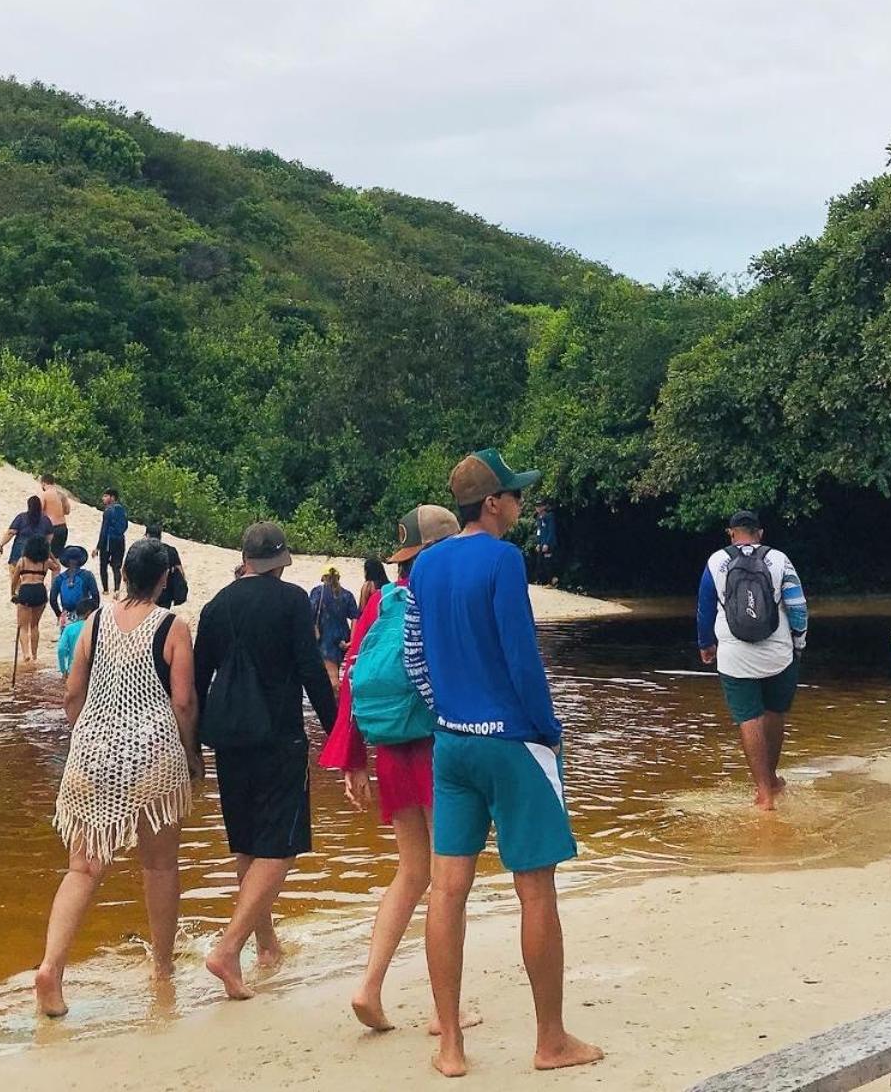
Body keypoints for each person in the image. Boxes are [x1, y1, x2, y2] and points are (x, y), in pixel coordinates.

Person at [405, 449, 601, 1078]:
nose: (520, 503)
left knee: (447, 890)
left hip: (452, 740)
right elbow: (522, 659)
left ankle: (451, 1046)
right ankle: (550, 1041)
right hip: (511, 740)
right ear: (492, 503)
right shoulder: (504, 560)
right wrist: (549, 731)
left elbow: (427, 658)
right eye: (514, 494)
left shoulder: (427, 566)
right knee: (534, 887)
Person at [37, 538, 200, 1016]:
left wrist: (87, 734)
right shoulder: (173, 627)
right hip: (153, 757)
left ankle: (51, 968)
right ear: (165, 578)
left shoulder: (94, 621)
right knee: (160, 865)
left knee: (82, 868)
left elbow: (73, 694)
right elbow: (184, 702)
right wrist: (192, 757)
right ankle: (163, 971)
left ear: (124, 572)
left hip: (92, 754)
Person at [322, 504, 460, 1034]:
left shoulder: (382, 601)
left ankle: (370, 986)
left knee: (411, 872)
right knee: (449, 879)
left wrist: (353, 760)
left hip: (389, 747)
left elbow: (354, 676)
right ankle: (443, 1009)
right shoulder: (437, 600)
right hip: (435, 745)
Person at [194, 521, 338, 1000]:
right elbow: (310, 671)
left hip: (227, 739)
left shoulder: (216, 606)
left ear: (246, 558)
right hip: (278, 736)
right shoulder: (293, 601)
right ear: (281, 563)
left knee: (249, 845)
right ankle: (229, 948)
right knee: (280, 847)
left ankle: (267, 945)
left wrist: (191, 747)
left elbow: (197, 683)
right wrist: (338, 729)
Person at [697, 510, 808, 813]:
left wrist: (706, 644)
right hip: (778, 650)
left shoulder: (716, 561)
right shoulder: (779, 559)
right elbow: (797, 605)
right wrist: (799, 643)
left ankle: (763, 793)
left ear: (730, 533)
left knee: (749, 716)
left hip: (734, 653)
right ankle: (772, 779)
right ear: (760, 533)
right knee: (774, 710)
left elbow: (705, 608)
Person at [310, 565, 360, 689]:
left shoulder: (317, 592)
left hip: (324, 638)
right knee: (335, 672)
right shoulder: (347, 595)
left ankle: (333, 705)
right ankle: (335, 703)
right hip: (342, 638)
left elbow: (309, 613)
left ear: (323, 578)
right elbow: (355, 617)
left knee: (331, 677)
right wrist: (352, 640)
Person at [0, 494, 54, 597]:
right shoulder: (45, 520)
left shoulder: (22, 517)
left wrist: (1, 544)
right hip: (39, 549)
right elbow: (50, 535)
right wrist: (45, 544)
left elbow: (11, 532)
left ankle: (20, 590)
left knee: (13, 569)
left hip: (21, 548)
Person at [13, 534, 53, 662]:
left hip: (26, 590)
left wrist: (13, 593)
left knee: (22, 626)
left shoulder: (23, 561)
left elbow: (15, 579)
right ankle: (35, 655)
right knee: (35, 625)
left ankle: (26, 654)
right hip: (40, 590)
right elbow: (57, 567)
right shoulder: (46, 562)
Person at [50, 544, 102, 633]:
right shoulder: (87, 575)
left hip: (66, 615)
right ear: (80, 560)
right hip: (84, 614)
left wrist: (59, 614)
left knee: (66, 641)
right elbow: (95, 595)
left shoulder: (60, 578)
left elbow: (52, 599)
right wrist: (93, 612)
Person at [143, 522, 189, 608]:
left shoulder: (143, 550)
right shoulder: (171, 551)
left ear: (148, 535)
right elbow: (180, 571)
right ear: (160, 536)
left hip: (146, 592)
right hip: (166, 593)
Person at [97, 489, 129, 594]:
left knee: (103, 565)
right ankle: (116, 589)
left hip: (108, 541)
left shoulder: (108, 511)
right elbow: (125, 526)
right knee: (116, 566)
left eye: (106, 496)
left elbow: (104, 530)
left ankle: (106, 590)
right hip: (120, 540)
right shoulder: (122, 510)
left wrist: (98, 546)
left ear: (112, 498)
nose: (103, 498)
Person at [40, 476, 72, 561]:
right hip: (63, 527)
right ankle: (56, 574)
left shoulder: (45, 494)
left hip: (51, 528)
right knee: (56, 558)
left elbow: (39, 511)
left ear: (43, 483)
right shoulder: (61, 494)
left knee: (46, 556)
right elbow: (67, 511)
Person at [531, 502, 559, 585]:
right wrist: (538, 543)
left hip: (548, 543)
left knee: (548, 562)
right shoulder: (539, 518)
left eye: (539, 506)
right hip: (542, 543)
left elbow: (551, 531)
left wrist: (547, 543)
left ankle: (551, 581)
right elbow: (539, 532)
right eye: (536, 506)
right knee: (540, 562)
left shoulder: (549, 516)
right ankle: (542, 580)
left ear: (544, 507)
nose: (538, 508)